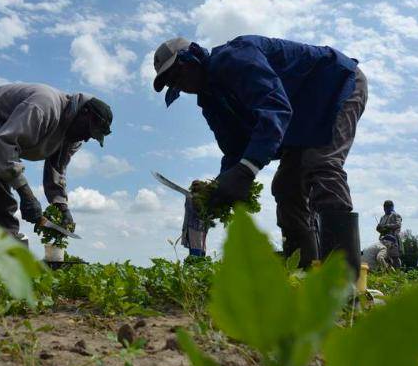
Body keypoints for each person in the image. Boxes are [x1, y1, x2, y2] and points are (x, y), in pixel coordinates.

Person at [152, 35, 367, 271]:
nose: (179, 84)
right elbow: (234, 149)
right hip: (300, 120)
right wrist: (219, 187)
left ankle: (345, 276)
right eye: (171, 82)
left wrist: (246, 170)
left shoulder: (235, 57)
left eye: (177, 73)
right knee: (286, 187)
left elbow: (275, 107)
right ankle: (303, 270)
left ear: (192, 59)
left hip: (334, 88)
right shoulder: (210, 101)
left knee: (321, 164)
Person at [0, 83, 112, 299]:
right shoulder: (44, 106)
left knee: (4, 208)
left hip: (0, 136)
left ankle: (15, 282)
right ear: (83, 113)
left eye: (91, 137)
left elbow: (57, 169)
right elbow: (5, 143)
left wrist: (61, 206)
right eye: (87, 131)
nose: (85, 138)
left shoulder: (73, 136)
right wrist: (26, 194)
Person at [376, 200, 403, 267]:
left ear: (391, 207)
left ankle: (397, 271)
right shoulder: (383, 217)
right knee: (385, 256)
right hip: (383, 239)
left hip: (393, 239)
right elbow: (380, 229)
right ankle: (387, 272)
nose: (385, 209)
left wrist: (387, 226)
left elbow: (398, 225)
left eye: (387, 207)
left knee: (394, 257)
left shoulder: (396, 215)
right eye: (384, 207)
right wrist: (379, 228)